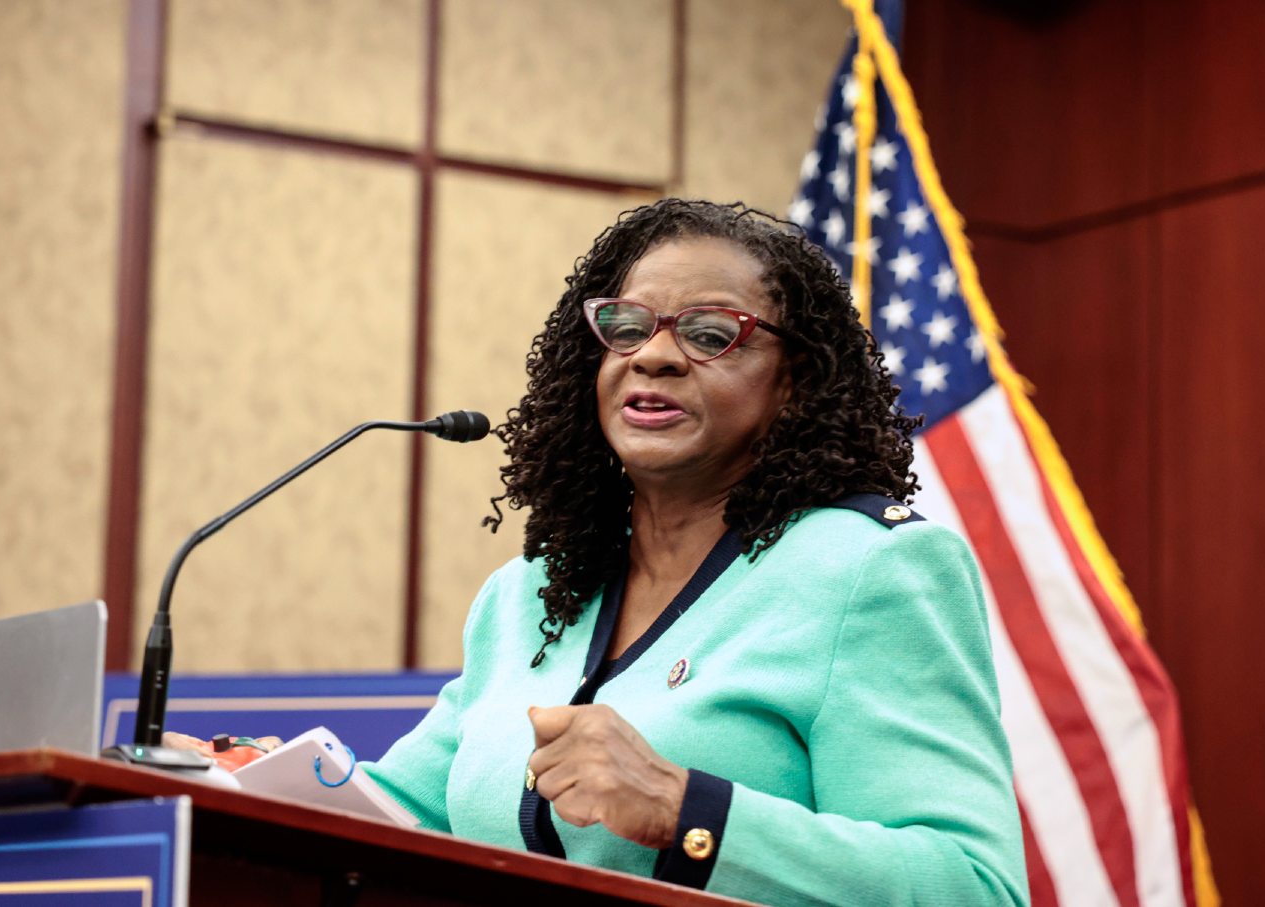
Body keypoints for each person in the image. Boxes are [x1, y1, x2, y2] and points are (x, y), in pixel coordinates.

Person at [364, 198, 1028, 905]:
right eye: (627, 328)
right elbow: (391, 820)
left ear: (793, 381)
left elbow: (972, 885)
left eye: (711, 335)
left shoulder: (869, 569)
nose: (652, 355)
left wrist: (688, 812)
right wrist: (248, 780)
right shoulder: (527, 593)